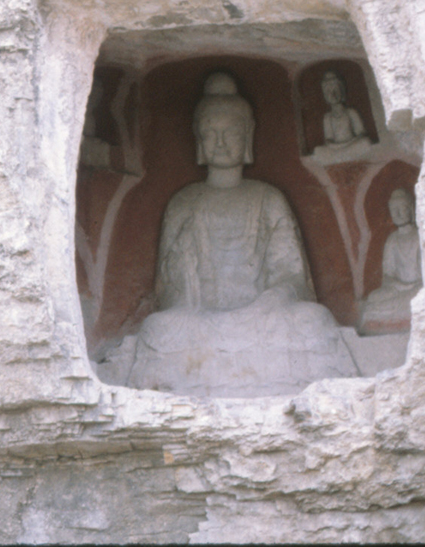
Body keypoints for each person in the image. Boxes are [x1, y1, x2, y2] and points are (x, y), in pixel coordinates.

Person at [126, 72, 357, 397]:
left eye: (230, 132)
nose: (220, 142)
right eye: (211, 133)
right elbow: (171, 288)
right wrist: (196, 309)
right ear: (198, 140)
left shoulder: (268, 197)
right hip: (200, 321)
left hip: (264, 317)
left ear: (248, 136)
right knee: (159, 328)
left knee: (313, 319)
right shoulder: (185, 202)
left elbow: (291, 274)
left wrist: (269, 302)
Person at [357, 188, 421, 335]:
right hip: (397, 289)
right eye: (394, 210)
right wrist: (398, 285)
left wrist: (410, 287)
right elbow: (388, 274)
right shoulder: (392, 240)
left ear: (411, 209)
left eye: (402, 208)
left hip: (416, 286)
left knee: (420, 294)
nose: (398, 213)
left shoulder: (419, 236)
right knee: (373, 298)